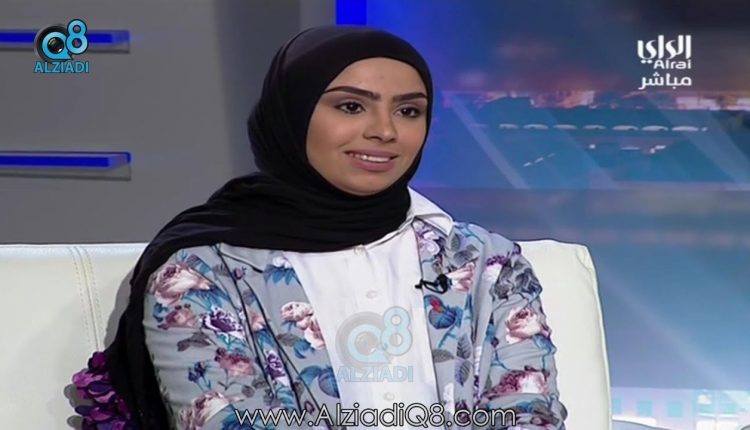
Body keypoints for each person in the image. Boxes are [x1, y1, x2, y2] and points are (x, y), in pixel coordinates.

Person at [71, 25, 567, 429]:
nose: (385, 131)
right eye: (351, 106)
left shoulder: (484, 263)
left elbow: (529, 415)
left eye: (408, 110)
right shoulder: (200, 271)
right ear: (292, 114)